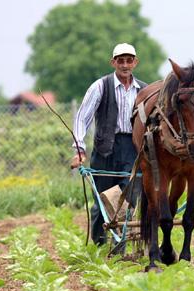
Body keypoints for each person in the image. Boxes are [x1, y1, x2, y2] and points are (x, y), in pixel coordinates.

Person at [71, 43, 147, 245]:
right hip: (105, 149)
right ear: (113, 62)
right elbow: (82, 118)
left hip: (132, 148)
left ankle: (119, 247)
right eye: (120, 60)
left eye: (129, 60)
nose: (125, 64)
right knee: (102, 202)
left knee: (127, 200)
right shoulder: (100, 86)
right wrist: (79, 150)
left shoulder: (144, 91)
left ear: (135, 63)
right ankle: (98, 244)